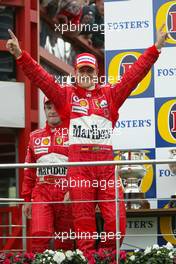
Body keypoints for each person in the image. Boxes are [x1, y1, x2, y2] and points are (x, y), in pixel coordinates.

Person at [6, 25, 167, 253]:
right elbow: (41, 78)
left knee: (116, 222)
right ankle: (89, 258)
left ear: (96, 73)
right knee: (83, 225)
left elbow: (133, 75)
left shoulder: (110, 95)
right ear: (75, 72)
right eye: (81, 70)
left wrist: (156, 48)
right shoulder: (65, 97)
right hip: (80, 167)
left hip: (104, 166)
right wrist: (21, 56)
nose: (85, 74)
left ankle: (108, 257)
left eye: (89, 71)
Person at [22, 96, 73, 253]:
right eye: (48, 107)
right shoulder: (34, 136)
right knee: (39, 234)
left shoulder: (74, 133)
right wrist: (26, 199)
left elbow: (81, 168)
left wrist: (74, 189)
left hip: (66, 193)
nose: (52, 111)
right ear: (44, 110)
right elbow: (29, 171)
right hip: (42, 192)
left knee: (65, 241)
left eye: (56, 106)